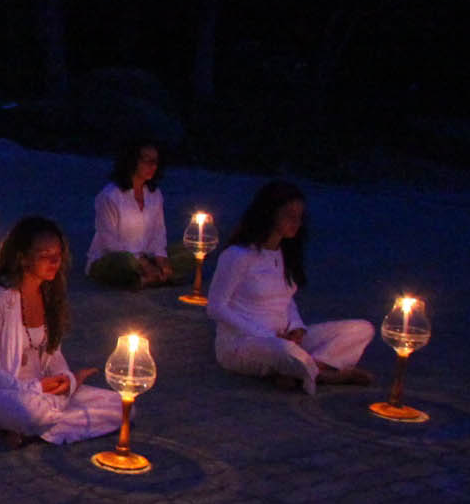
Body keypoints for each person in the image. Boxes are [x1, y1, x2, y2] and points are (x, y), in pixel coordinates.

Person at [0, 217, 124, 446]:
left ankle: (22, 428)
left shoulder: (49, 294)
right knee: (32, 412)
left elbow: (53, 353)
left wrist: (66, 380)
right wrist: (34, 389)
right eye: (45, 255)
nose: (54, 261)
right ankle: (29, 423)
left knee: (122, 407)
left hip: (42, 389)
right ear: (23, 258)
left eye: (58, 254)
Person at [212, 181, 373, 392]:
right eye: (289, 215)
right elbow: (216, 307)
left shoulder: (284, 253)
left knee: (361, 329)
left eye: (300, 215)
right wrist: (267, 336)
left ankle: (300, 370)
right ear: (270, 214)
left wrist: (297, 328)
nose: (296, 221)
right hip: (244, 343)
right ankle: (326, 375)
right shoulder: (238, 256)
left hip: (284, 338)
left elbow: (286, 299)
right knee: (285, 350)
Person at [86, 140, 178, 289]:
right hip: (115, 257)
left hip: (147, 256)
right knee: (126, 263)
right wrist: (141, 261)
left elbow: (159, 232)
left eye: (155, 161)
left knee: (189, 254)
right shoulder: (110, 196)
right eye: (146, 160)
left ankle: (147, 278)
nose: (153, 166)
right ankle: (147, 278)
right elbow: (109, 242)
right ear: (132, 161)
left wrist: (161, 257)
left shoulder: (154, 194)